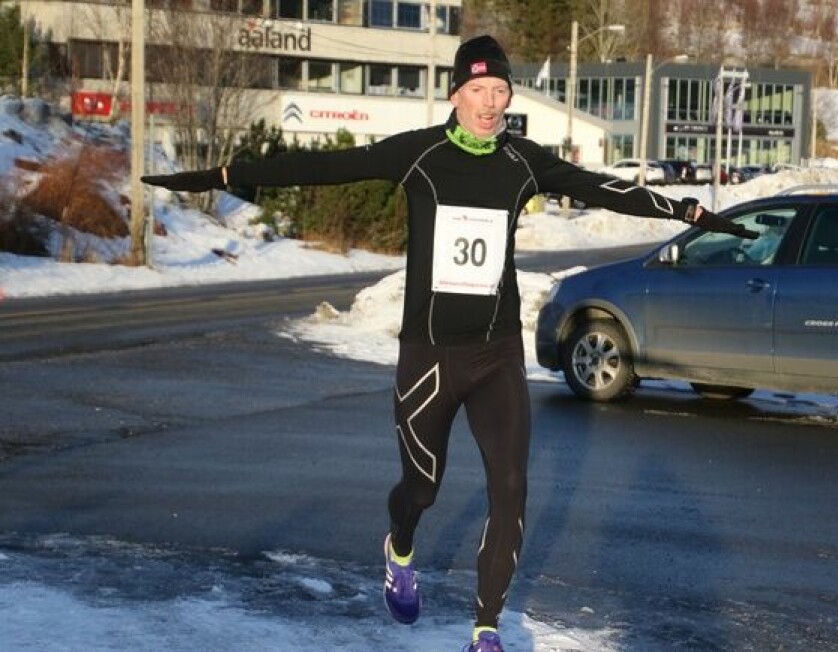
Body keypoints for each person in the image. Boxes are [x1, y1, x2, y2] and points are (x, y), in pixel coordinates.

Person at [142, 35, 754, 652]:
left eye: (501, 92)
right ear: (455, 93)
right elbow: (322, 168)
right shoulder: (420, 155)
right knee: (422, 490)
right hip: (428, 358)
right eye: (479, 90)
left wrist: (689, 212)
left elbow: (602, 188)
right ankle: (400, 546)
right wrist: (221, 176)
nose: (490, 104)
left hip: (496, 356)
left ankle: (486, 631)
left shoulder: (523, 161)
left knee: (511, 489)